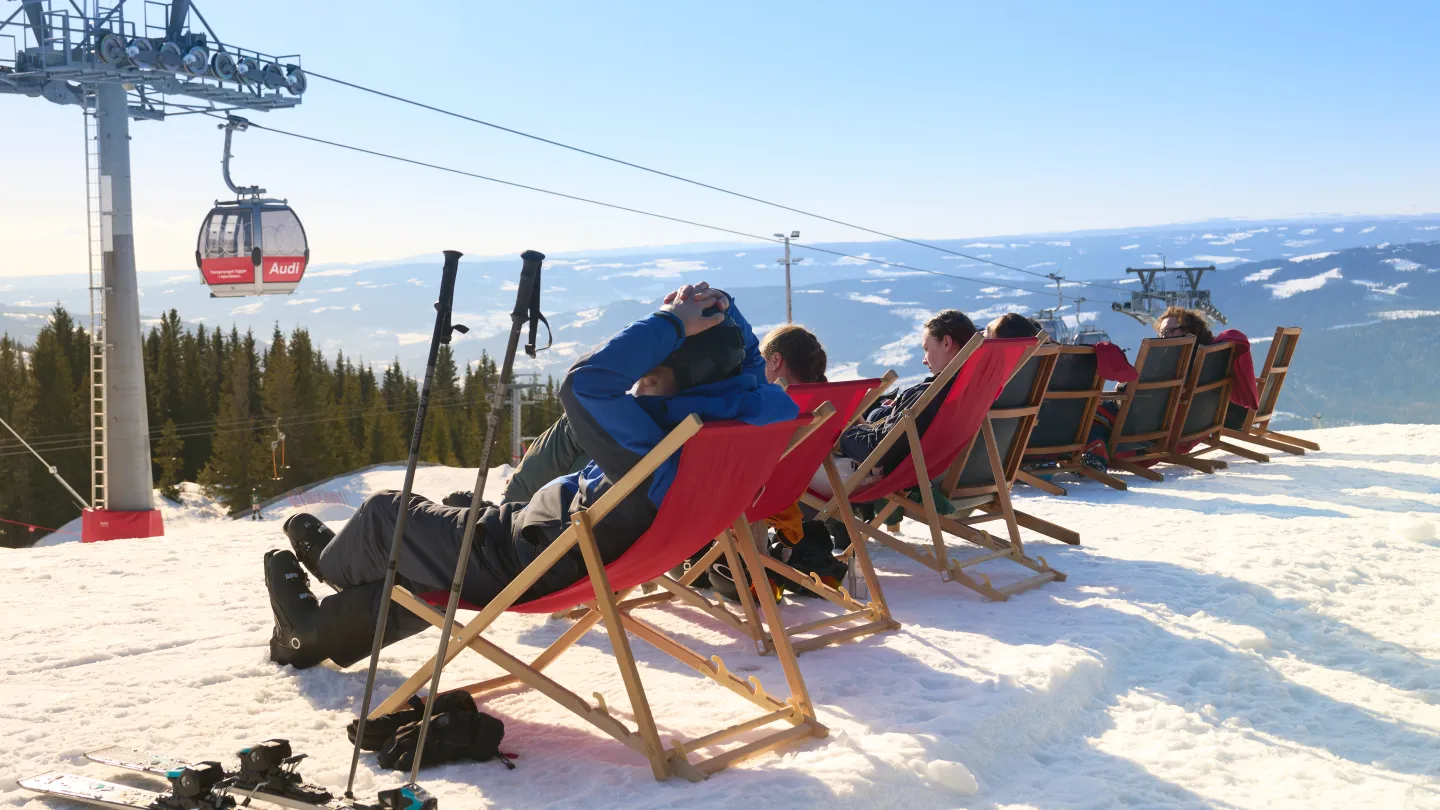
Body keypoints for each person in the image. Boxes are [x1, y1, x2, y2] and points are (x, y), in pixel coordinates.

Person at [264, 282, 800, 669]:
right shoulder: (745, 415)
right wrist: (721, 316)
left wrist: (671, 325)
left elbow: (586, 384)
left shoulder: (653, 445)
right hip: (577, 554)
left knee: (386, 513)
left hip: (527, 558)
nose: (637, 390)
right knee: (433, 552)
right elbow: (743, 361)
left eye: (650, 379)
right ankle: (322, 618)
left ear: (681, 381)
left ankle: (330, 580)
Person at [493, 318, 827, 505]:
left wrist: (683, 316)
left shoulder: (728, 415)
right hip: (729, 502)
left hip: (666, 509)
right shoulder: (781, 412)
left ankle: (510, 504)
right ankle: (503, 506)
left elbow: (583, 385)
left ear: (776, 361)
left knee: (574, 429)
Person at [1082, 305, 1213, 472]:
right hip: (1172, 428)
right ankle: (1094, 451)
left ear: (1190, 330)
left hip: (1147, 431)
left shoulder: (1177, 363)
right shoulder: (1204, 358)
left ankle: (1095, 453)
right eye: (1162, 333)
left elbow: (1152, 392)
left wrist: (1122, 388)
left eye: (1170, 331)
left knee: (1091, 411)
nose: (1164, 337)